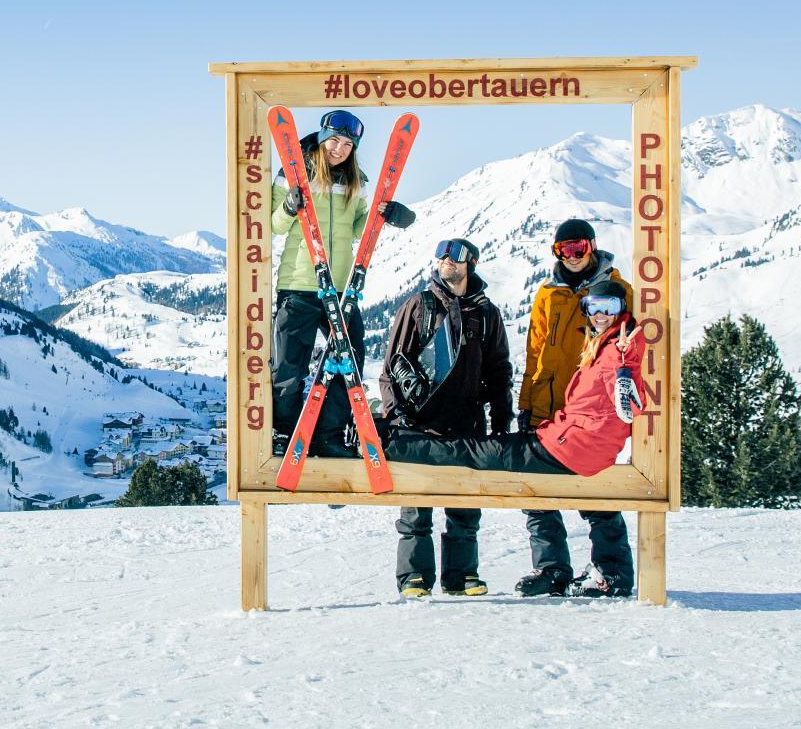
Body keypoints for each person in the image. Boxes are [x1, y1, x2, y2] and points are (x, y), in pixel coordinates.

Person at [379, 237, 513, 596]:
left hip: (466, 424)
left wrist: (501, 422)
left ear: (471, 263)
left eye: (454, 255)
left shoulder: (486, 314)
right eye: (440, 253)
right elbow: (392, 365)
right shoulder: (419, 306)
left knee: (466, 509)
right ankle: (414, 577)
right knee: (415, 512)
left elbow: (500, 372)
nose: (445, 260)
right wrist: (396, 416)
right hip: (418, 426)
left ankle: (462, 576)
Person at [269, 110, 409, 453]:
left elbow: (360, 228)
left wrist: (390, 215)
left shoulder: (354, 180)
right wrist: (289, 207)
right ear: (321, 136)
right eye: (334, 140)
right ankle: (285, 434)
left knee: (350, 365)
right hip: (299, 284)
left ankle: (327, 434)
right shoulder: (292, 173)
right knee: (288, 368)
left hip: (341, 287)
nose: (340, 149)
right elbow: (274, 225)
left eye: (348, 143)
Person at [515, 218, 640, 597]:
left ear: (592, 246)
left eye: (578, 248)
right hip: (547, 402)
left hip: (592, 408)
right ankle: (552, 569)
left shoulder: (617, 289)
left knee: (595, 491)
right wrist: (526, 403)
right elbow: (535, 352)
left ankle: (611, 570)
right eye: (564, 249)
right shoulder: (547, 294)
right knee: (536, 493)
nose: (571, 256)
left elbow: (630, 341)